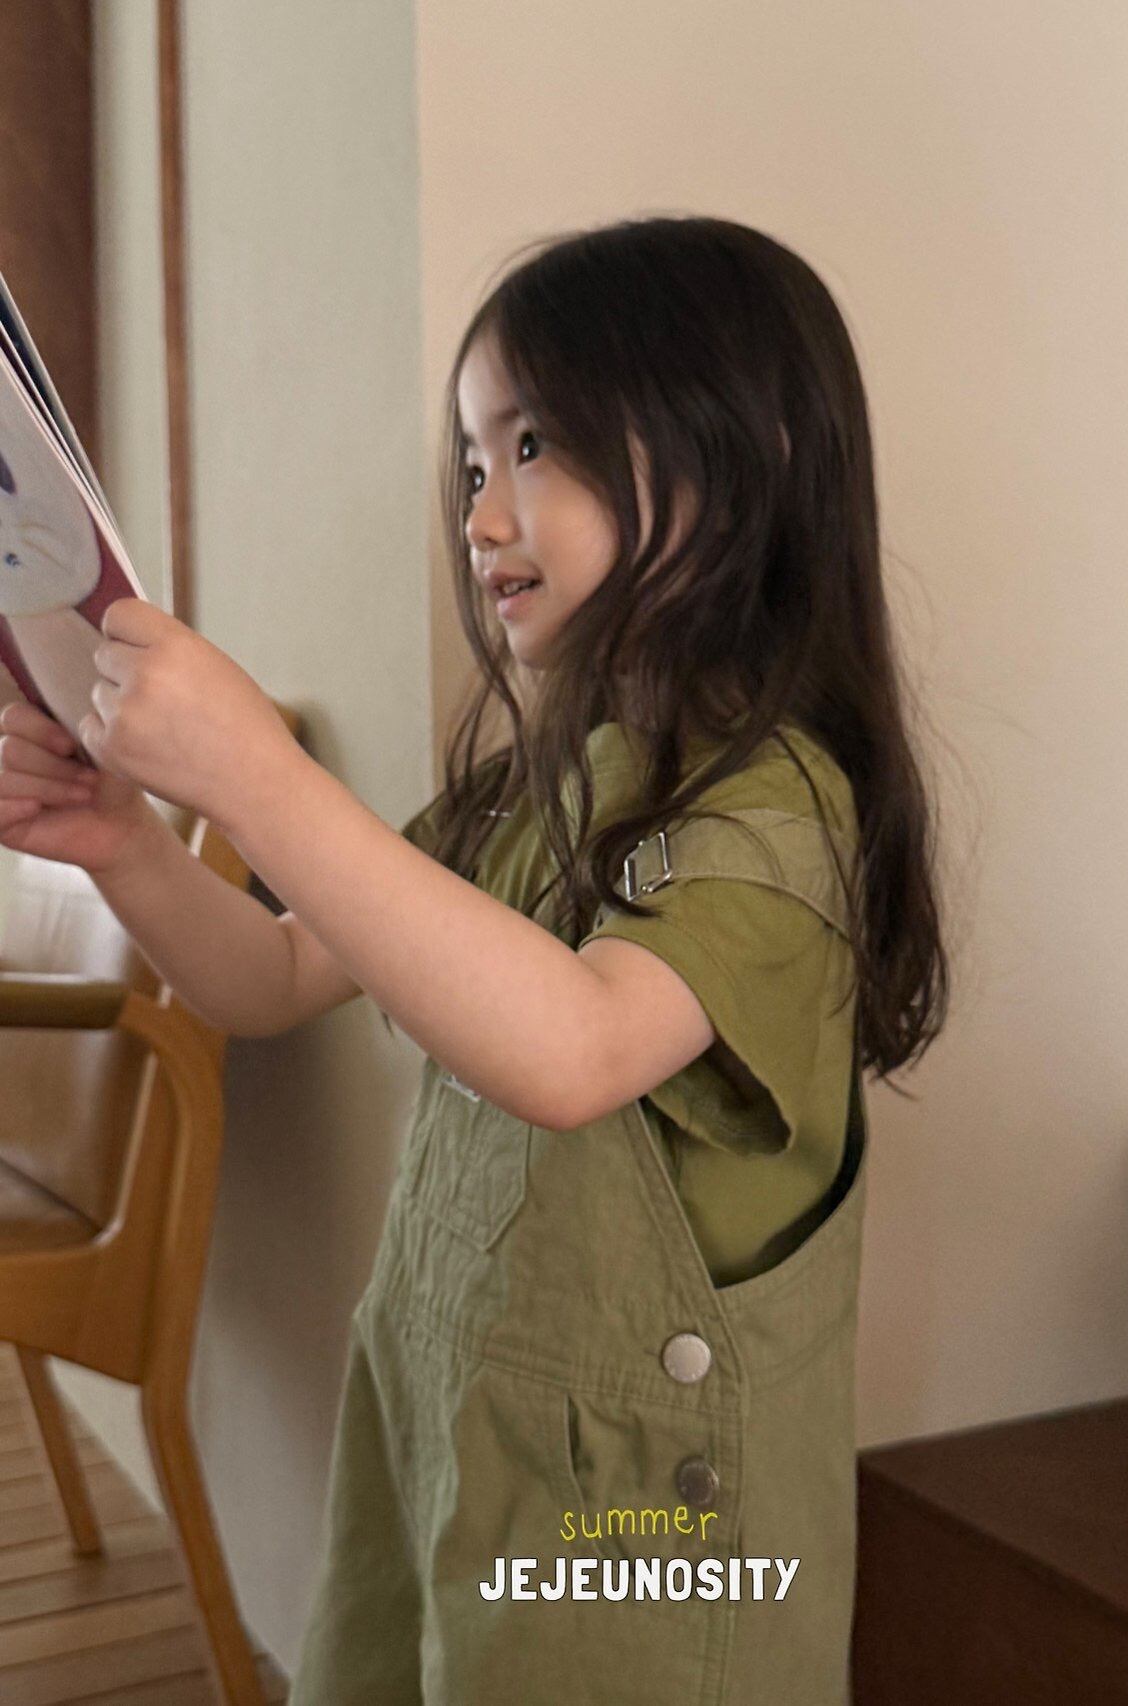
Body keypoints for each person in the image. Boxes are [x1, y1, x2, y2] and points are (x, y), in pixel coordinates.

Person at [0, 214, 949, 1703]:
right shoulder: (525, 791)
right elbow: (271, 977)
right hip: (457, 1437)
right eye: (470, 464)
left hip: (644, 1529)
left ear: (742, 456)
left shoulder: (781, 812)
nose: (483, 515)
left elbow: (575, 1048)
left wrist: (260, 779)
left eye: (536, 447)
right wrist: (124, 841)